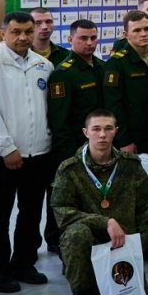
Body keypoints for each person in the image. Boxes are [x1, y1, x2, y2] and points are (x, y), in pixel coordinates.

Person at [0, 12, 55, 294]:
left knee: (31, 213)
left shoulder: (43, 65)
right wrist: (6, 148)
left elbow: (48, 110)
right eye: (16, 31)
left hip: (39, 153)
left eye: (28, 31)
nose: (23, 37)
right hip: (2, 158)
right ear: (3, 33)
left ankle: (24, 263)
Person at [52, 108, 148, 295]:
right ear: (85, 132)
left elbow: (144, 209)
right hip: (88, 241)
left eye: (108, 129)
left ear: (116, 131)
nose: (102, 135)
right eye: (96, 129)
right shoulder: (70, 169)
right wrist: (105, 222)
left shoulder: (131, 166)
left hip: (122, 243)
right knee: (75, 234)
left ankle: (117, 283)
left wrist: (139, 245)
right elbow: (61, 211)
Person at [46, 18, 103, 252]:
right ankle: (56, 240)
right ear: (70, 39)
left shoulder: (101, 67)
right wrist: (71, 156)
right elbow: (59, 121)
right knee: (65, 196)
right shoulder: (63, 73)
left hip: (97, 146)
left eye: (93, 38)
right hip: (73, 148)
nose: (89, 43)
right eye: (83, 38)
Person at [102, 12, 148, 190]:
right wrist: (124, 140)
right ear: (126, 34)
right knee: (132, 189)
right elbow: (113, 105)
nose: (144, 34)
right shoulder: (116, 64)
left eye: (147, 28)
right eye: (137, 30)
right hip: (132, 137)